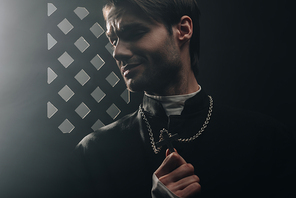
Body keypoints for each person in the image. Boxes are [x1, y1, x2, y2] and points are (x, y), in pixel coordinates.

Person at [70, 0, 296, 197]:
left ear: (183, 29)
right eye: (114, 39)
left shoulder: (266, 142)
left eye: (134, 33)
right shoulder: (93, 154)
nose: (117, 52)